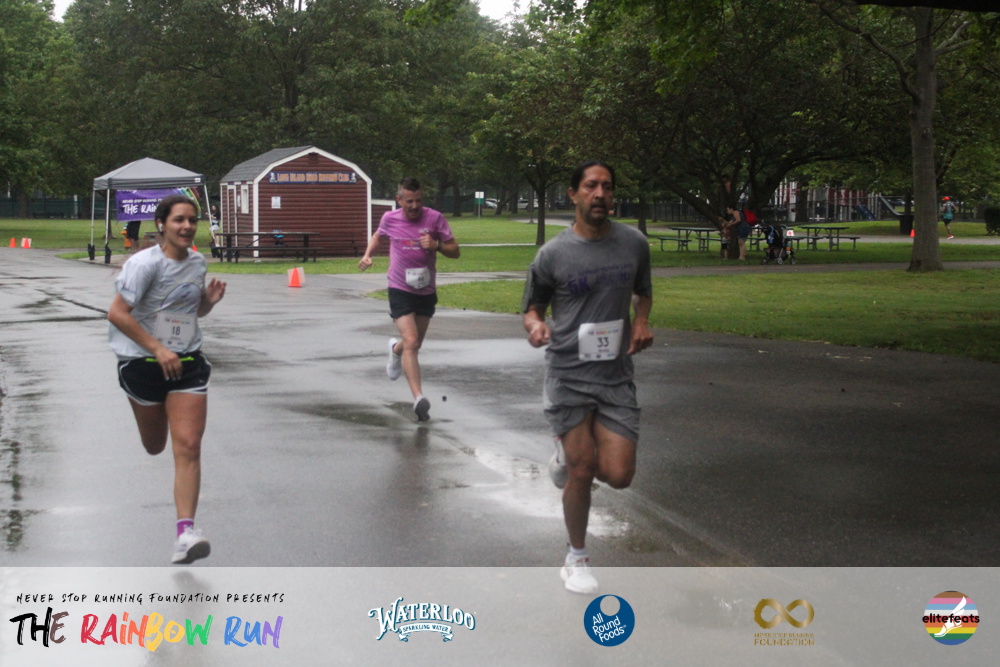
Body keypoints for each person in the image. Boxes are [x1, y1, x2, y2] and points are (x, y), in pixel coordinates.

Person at [522, 161, 654, 594]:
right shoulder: (553, 254)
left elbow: (643, 291)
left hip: (615, 375)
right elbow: (532, 307)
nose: (600, 194)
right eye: (591, 186)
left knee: (618, 474)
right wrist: (536, 326)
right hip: (568, 374)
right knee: (583, 469)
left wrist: (641, 321)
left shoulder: (634, 244)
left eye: (607, 187)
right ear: (573, 194)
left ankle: (567, 455)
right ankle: (576, 558)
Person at [107, 194, 227, 564]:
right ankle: (151, 416)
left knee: (188, 446)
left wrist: (208, 302)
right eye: (179, 220)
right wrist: (158, 349)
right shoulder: (143, 265)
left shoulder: (197, 262)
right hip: (142, 364)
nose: (187, 226)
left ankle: (185, 535)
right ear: (162, 224)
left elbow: (191, 312)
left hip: (187, 361)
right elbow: (117, 313)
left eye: (192, 220)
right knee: (155, 445)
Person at [358, 178, 460, 421]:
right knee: (412, 341)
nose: (415, 206)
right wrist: (368, 255)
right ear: (399, 200)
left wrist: (436, 245)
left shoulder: (435, 218)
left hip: (425, 290)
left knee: (413, 344)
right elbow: (378, 236)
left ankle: (395, 350)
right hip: (399, 288)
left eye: (419, 201)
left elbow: (455, 251)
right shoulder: (390, 218)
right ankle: (418, 399)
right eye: (410, 201)